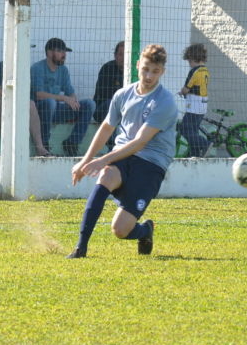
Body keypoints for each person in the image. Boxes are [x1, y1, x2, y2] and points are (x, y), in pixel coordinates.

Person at [67, 44, 178, 259]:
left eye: (155, 71)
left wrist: (102, 160)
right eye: (145, 69)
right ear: (137, 65)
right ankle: (81, 248)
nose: (149, 76)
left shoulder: (165, 102)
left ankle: (145, 230)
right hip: (122, 155)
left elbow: (139, 142)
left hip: (151, 164)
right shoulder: (123, 94)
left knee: (120, 230)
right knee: (106, 176)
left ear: (162, 72)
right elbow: (107, 126)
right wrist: (85, 161)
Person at [31, 37, 95, 156]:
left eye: (65, 52)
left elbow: (70, 92)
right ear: (50, 53)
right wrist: (64, 98)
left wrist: (73, 100)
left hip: (57, 111)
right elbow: (38, 95)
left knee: (89, 104)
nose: (64, 55)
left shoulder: (63, 70)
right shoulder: (37, 68)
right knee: (50, 102)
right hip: (39, 112)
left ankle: (72, 143)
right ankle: (44, 145)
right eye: (60, 51)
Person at [0, 60, 53, 157]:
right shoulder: (1, 68)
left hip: (10, 103)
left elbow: (23, 94)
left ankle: (40, 148)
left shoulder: (23, 72)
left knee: (30, 104)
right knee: (7, 104)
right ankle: (7, 150)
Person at [178, 43, 210, 157]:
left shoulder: (194, 71)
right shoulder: (205, 70)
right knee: (194, 130)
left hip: (194, 105)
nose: (189, 64)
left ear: (192, 58)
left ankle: (206, 144)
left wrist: (181, 92)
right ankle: (195, 153)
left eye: (189, 61)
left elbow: (187, 89)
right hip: (202, 104)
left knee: (185, 130)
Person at [93, 41, 125, 128]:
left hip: (124, 111)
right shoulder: (107, 68)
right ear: (115, 56)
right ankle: (112, 141)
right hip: (102, 109)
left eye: (126, 54)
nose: (124, 58)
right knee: (111, 104)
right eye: (120, 54)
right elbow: (105, 94)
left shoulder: (134, 71)